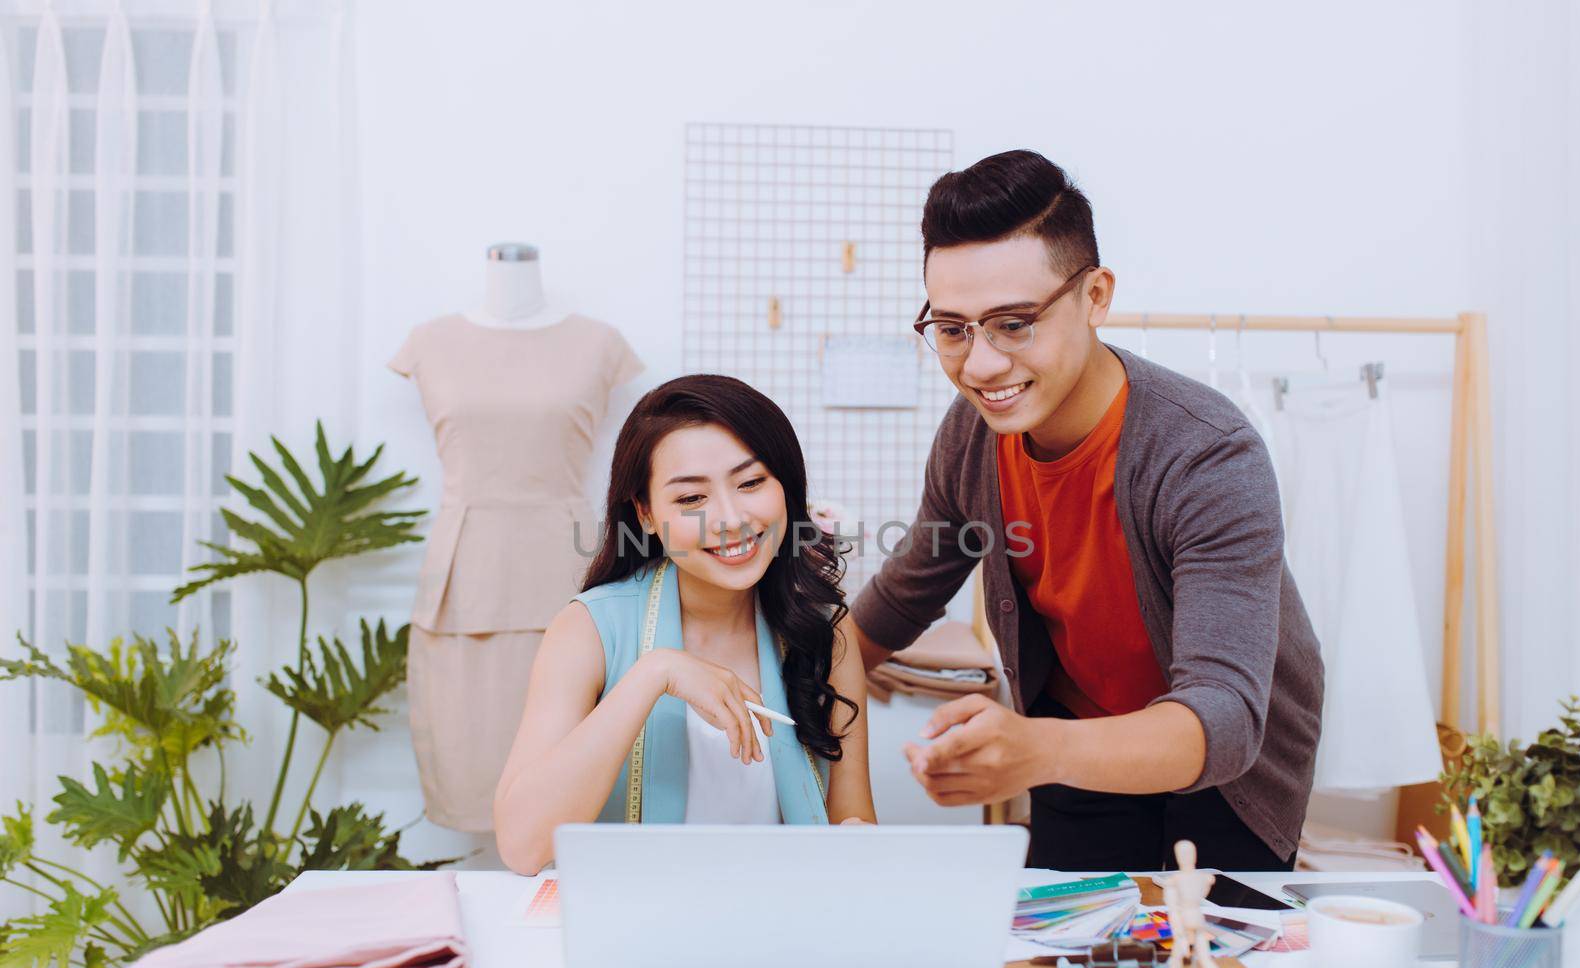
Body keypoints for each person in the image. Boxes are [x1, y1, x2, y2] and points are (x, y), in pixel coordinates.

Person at [848, 150, 1323, 873]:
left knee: (1215, 966)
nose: (979, 366)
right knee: (1063, 961)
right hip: (1075, 737)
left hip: (1225, 771)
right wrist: (767, 677)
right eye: (952, 328)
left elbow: (1225, 718)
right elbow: (900, 599)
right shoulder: (971, 439)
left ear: (1095, 296)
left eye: (1013, 323)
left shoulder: (1206, 454)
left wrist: (1034, 749)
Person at [495, 375, 876, 874]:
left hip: (784, 919)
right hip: (638, 922)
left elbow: (852, 822)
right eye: (691, 499)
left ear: (786, 486)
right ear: (647, 513)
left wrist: (858, 841)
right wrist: (654, 675)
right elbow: (524, 849)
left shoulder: (824, 628)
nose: (730, 519)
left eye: (752, 482)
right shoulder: (587, 628)